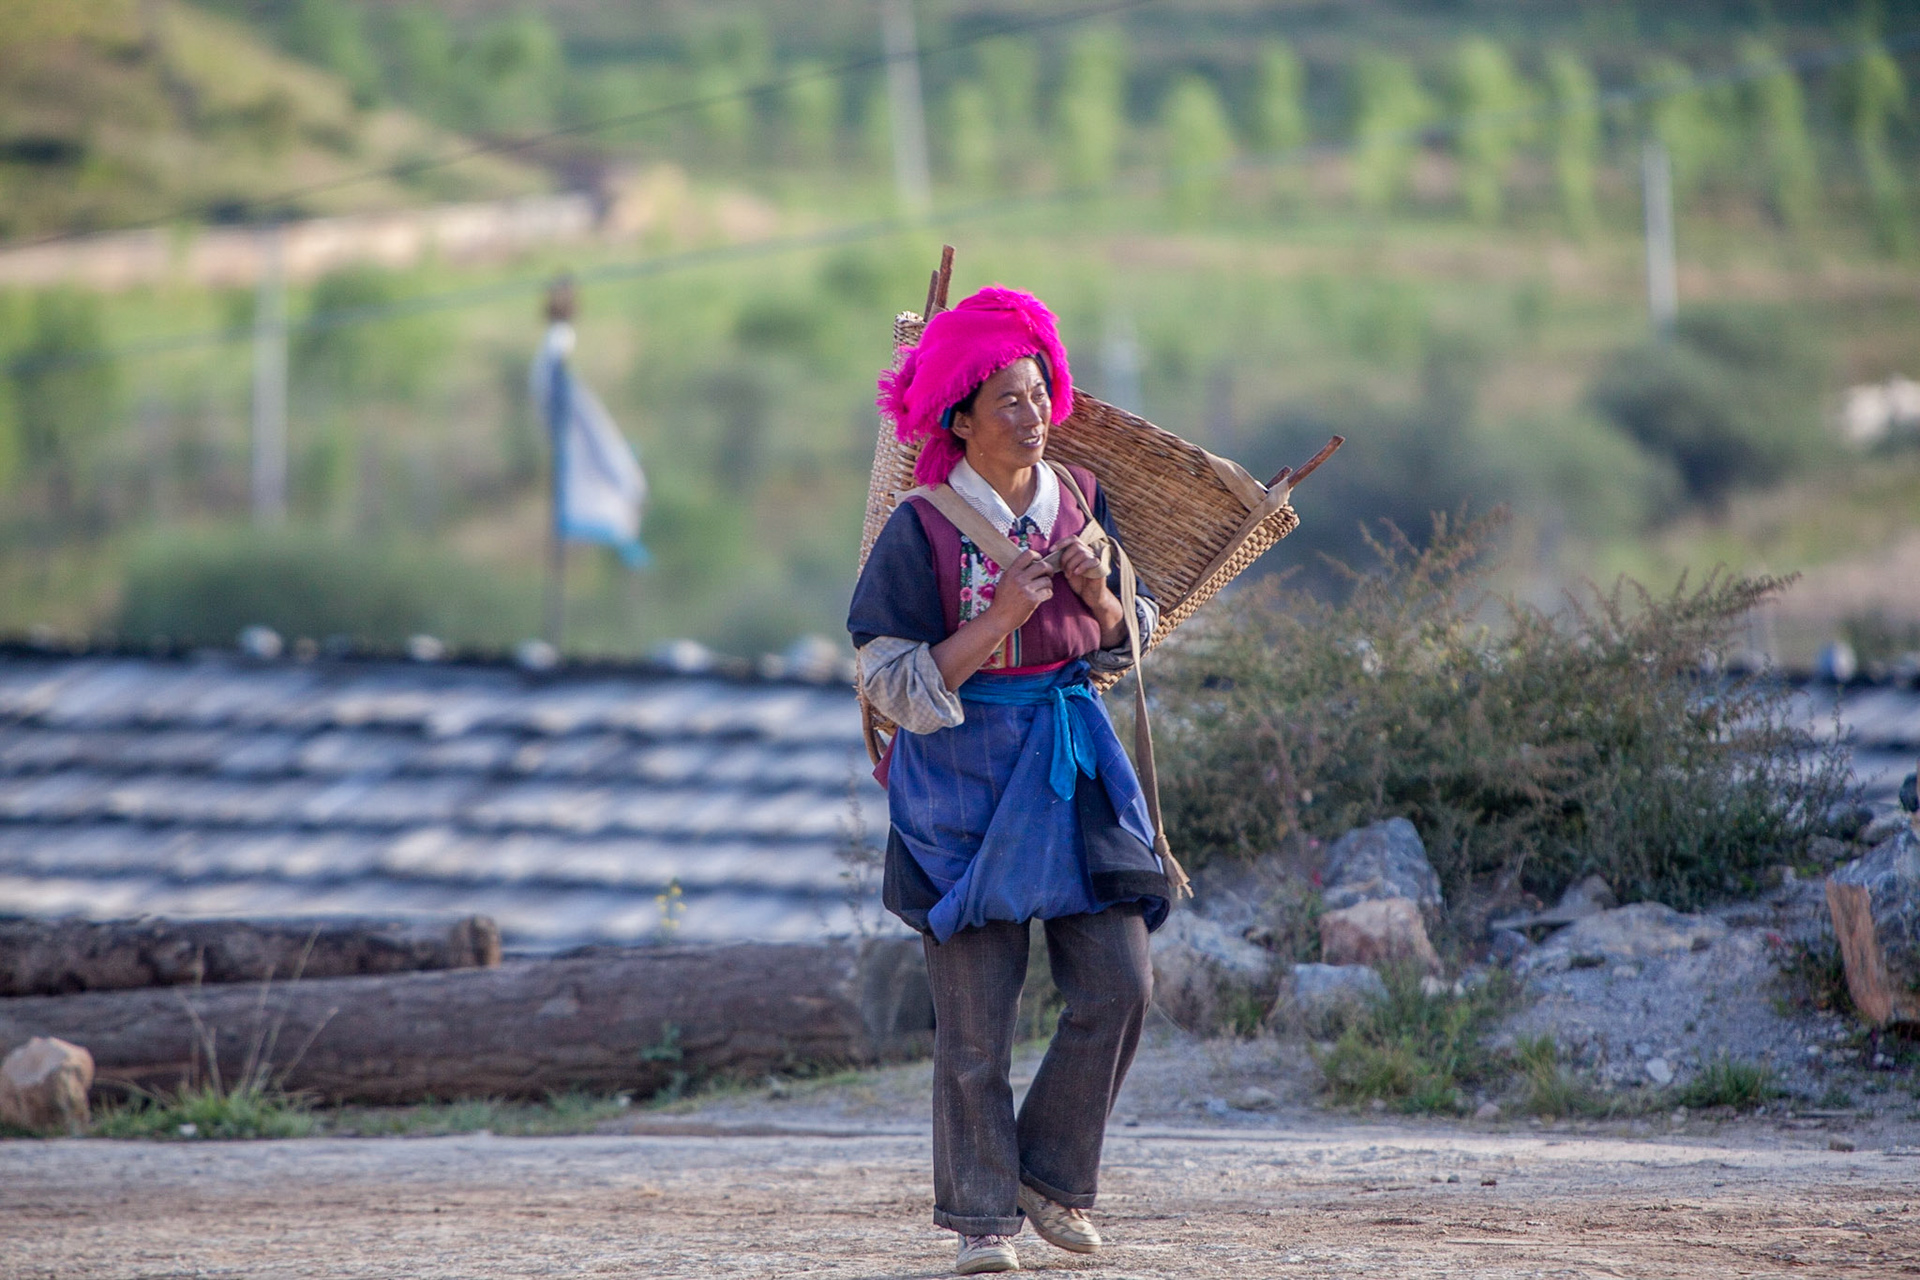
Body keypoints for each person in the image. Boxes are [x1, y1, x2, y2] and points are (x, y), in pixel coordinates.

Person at [848, 286, 1172, 1275]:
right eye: (1008, 402)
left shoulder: (1078, 500)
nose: (1032, 416)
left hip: (1072, 762)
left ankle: (1051, 1175)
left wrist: (1102, 597)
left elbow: (1133, 638)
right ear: (959, 421)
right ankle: (985, 1221)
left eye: (1038, 394)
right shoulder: (921, 530)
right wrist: (995, 624)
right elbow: (887, 676)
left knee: (1120, 982)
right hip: (961, 782)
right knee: (976, 1023)